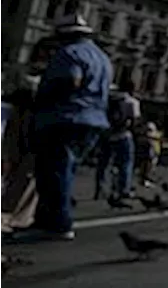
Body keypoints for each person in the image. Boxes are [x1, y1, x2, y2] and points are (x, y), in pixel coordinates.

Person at [26, 13, 112, 241]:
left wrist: (40, 98)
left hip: (66, 117)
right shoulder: (102, 57)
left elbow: (71, 81)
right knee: (65, 171)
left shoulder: (70, 52)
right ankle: (50, 220)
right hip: (94, 120)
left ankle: (57, 224)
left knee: (54, 172)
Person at [0, 82, 39, 234]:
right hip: (26, 157)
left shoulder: (20, 115)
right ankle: (15, 218)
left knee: (18, 185)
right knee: (22, 185)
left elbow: (12, 142)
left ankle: (12, 217)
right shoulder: (30, 116)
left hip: (22, 156)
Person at [94, 76, 141, 202]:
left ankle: (99, 188)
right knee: (125, 163)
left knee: (103, 163)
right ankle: (123, 189)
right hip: (123, 135)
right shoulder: (132, 101)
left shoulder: (110, 97)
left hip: (106, 134)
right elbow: (134, 121)